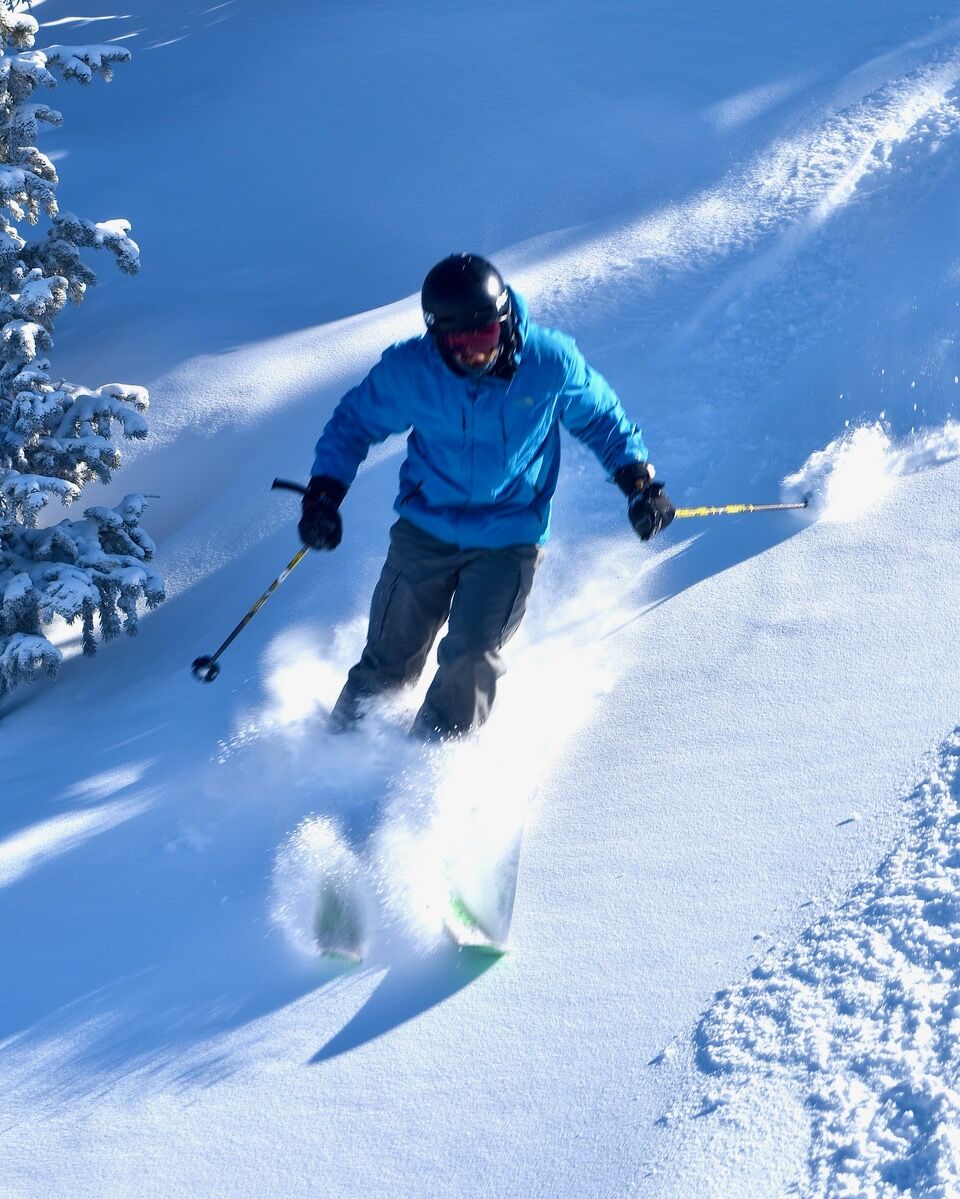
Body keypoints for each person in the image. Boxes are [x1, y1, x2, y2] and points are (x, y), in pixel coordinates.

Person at [299, 253, 675, 740]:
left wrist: (640, 485)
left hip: (510, 534)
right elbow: (353, 424)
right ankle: (339, 756)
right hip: (425, 528)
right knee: (390, 657)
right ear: (436, 336)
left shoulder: (547, 361)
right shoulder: (411, 370)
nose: (474, 354)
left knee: (472, 658)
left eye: (485, 337)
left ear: (504, 322)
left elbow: (602, 417)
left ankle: (426, 768)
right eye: (458, 343)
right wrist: (324, 494)